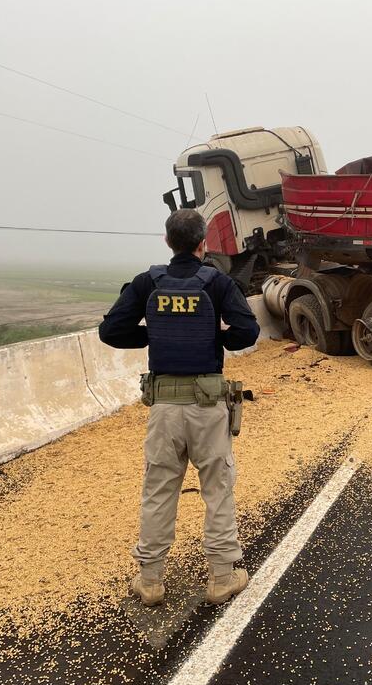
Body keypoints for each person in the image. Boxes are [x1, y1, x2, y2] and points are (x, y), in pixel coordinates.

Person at [99, 209, 260, 607]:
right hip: (208, 406)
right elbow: (247, 332)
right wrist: (213, 337)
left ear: (167, 241)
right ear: (203, 243)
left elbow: (111, 331)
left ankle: (150, 580)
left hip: (164, 408)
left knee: (158, 491)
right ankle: (222, 577)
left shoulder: (147, 282)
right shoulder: (217, 282)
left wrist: (154, 335)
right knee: (217, 490)